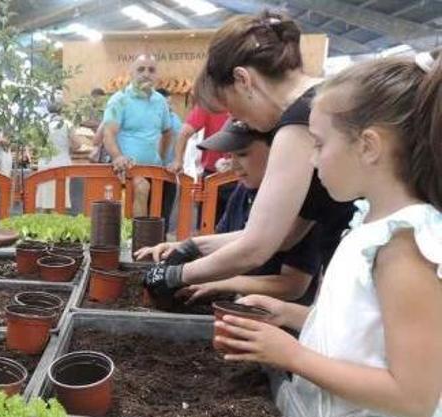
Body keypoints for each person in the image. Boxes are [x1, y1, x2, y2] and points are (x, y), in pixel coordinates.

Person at [214, 55, 442, 417]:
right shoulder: (373, 226)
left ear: (369, 146)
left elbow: (414, 397)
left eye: (319, 143)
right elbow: (368, 334)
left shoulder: (406, 246)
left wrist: (291, 355)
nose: (313, 160)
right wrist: (289, 316)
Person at [143, 12, 355, 298]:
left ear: (243, 80)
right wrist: (194, 247)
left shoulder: (297, 124)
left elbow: (256, 248)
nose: (234, 117)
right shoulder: (322, 100)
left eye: (230, 105)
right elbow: (286, 235)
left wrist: (175, 275)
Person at [139, 118, 322, 306]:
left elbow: (293, 286)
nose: (234, 166)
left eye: (242, 154)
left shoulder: (302, 202)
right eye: (230, 156)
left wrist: (222, 284)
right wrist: (181, 249)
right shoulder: (243, 191)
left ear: (278, 149)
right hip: (237, 307)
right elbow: (223, 243)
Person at [103, 54, 174, 218]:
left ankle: (158, 238)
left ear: (157, 75)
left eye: (151, 70)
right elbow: (108, 133)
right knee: (142, 187)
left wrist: (162, 158)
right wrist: (118, 157)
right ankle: (138, 239)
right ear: (131, 73)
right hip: (126, 169)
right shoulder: (119, 100)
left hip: (154, 169)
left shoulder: (160, 101)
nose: (146, 74)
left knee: (172, 189)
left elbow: (168, 131)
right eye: (141, 69)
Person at [168, 103, 228, 175]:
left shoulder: (209, 102)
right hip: (215, 171)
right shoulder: (209, 103)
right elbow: (184, 133)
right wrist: (178, 160)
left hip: (231, 170)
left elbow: (184, 133)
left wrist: (178, 160)